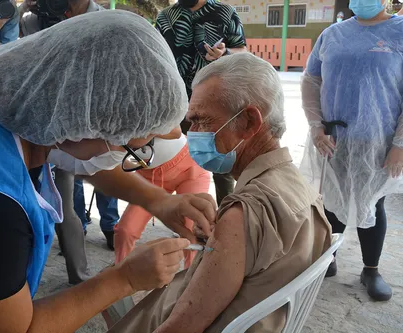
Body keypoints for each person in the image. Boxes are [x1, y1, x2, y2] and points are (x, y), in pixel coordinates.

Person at [0, 11, 217, 333]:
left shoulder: (1, 81)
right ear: (79, 125)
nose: (125, 160)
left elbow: (81, 154)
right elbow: (14, 330)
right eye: (127, 149)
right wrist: (124, 278)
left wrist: (159, 201)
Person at [108, 52, 332, 333]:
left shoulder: (241, 212)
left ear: (250, 122)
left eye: (202, 120)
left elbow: (181, 327)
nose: (193, 134)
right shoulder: (299, 185)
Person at [301, 0, 403, 302]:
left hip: (378, 138)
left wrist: (400, 144)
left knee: (372, 201)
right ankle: (327, 260)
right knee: (331, 200)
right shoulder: (332, 34)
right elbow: (310, 79)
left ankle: (370, 269)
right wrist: (316, 125)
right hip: (333, 137)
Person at [17, 0, 111, 282]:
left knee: (64, 205)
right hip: (28, 124)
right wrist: (21, 15)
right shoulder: (33, 19)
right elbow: (19, 63)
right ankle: (18, 277)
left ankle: (79, 278)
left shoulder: (106, 21)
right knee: (22, 202)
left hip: (78, 129)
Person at [156, 0, 247, 206]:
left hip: (214, 102)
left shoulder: (225, 12)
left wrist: (226, 54)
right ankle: (183, 215)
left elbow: (243, 50)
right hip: (174, 102)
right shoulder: (166, 17)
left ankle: (225, 217)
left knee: (221, 164)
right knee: (174, 160)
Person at [114, 127, 211, 268]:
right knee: (126, 229)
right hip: (150, 176)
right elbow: (116, 163)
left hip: (189, 168)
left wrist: (141, 132)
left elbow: (176, 131)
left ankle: (190, 279)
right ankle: (121, 273)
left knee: (191, 230)